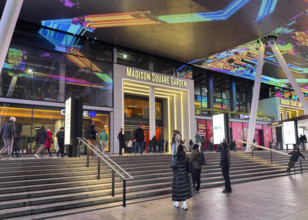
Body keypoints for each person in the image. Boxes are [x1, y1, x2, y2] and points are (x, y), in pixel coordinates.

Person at [172, 145, 193, 210]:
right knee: (183, 190)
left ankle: (181, 204)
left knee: (179, 190)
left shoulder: (176, 157)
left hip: (178, 176)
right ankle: (180, 203)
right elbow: (189, 165)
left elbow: (173, 165)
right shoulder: (186, 156)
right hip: (185, 176)